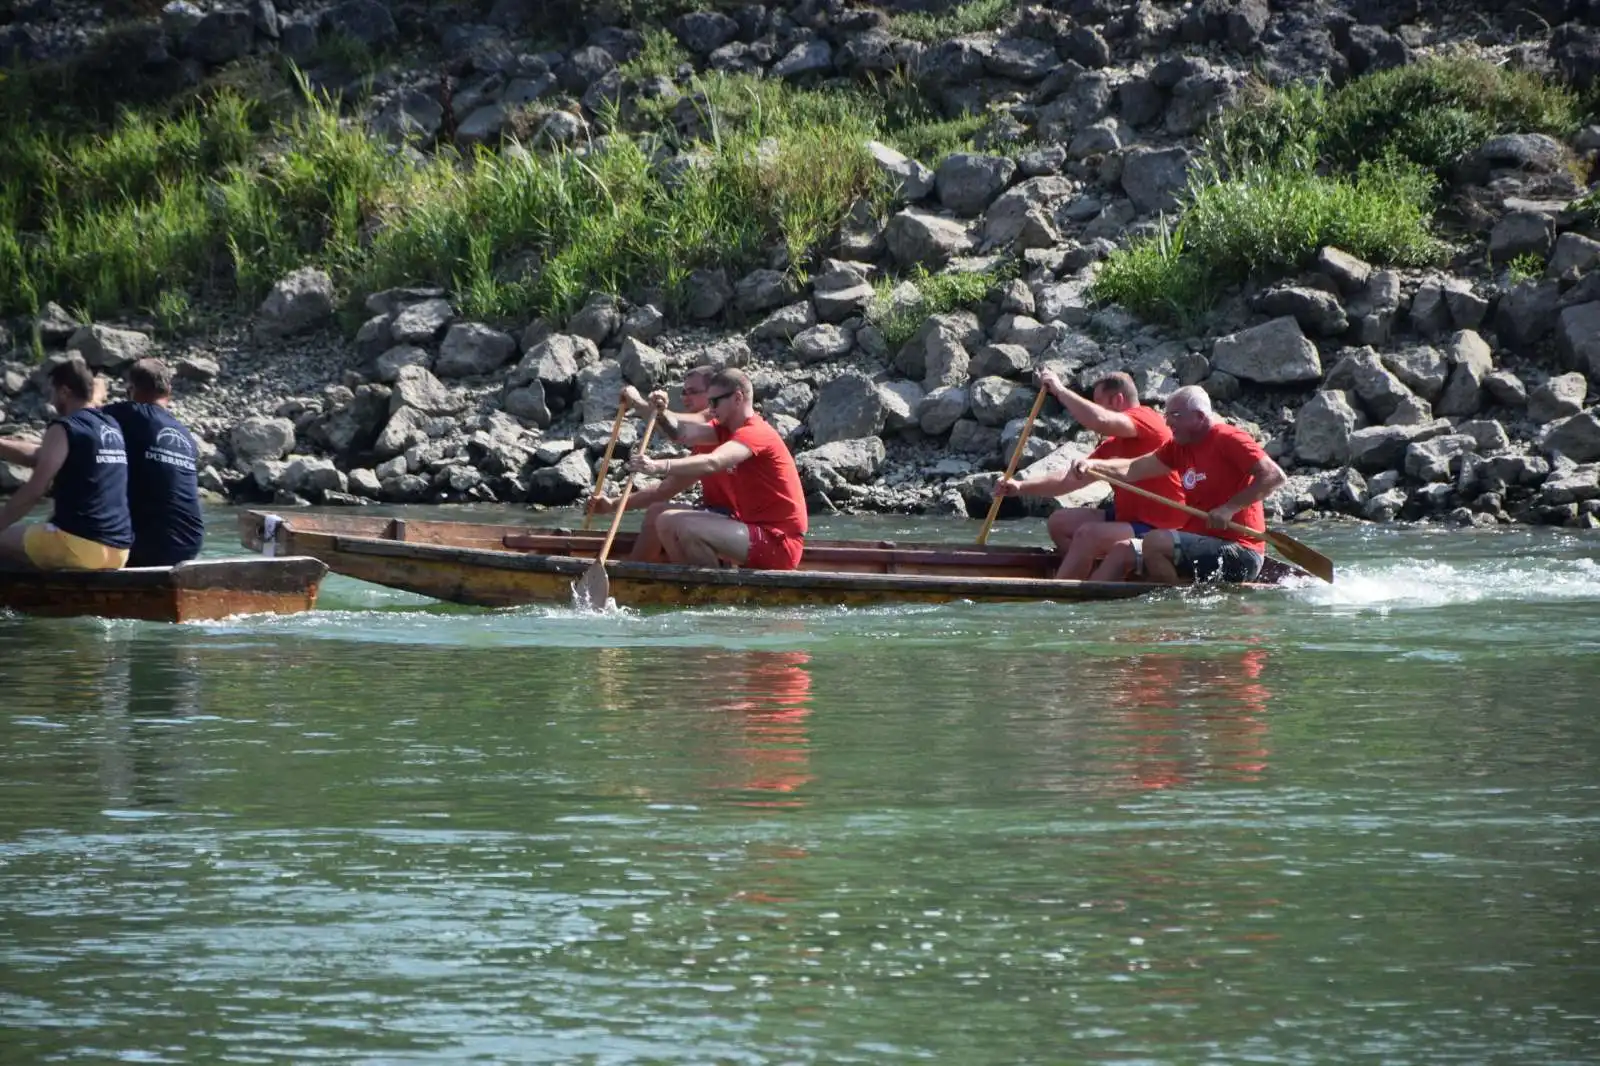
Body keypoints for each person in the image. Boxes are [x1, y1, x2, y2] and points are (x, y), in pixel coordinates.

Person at [1071, 385, 1288, 584]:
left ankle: (1175, 604)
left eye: (1175, 415)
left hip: (1240, 551)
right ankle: (1084, 607)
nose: (1167, 423)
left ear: (1199, 416)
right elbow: (1133, 469)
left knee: (1155, 542)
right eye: (1167, 416)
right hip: (1200, 541)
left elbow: (1274, 476)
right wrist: (1094, 465)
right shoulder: (1178, 447)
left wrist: (1229, 508)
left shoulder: (1229, 438)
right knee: (1121, 550)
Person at [991, 370, 1185, 579]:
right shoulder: (1112, 445)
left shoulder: (1147, 419)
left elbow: (1099, 419)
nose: (1094, 407)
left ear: (1117, 399)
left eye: (1098, 402)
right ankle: (1090, 576)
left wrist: (1059, 390)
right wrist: (1020, 486)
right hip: (1129, 519)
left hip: (1162, 525)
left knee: (1088, 535)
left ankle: (1062, 591)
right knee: (1059, 522)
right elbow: (1069, 480)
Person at [623, 368, 808, 570]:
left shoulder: (755, 432)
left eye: (715, 402)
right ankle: (688, 588)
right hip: (750, 531)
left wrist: (658, 465)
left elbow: (714, 461)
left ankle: (709, 592)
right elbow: (680, 432)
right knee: (665, 521)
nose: (710, 409)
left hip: (778, 544)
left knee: (686, 527)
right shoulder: (723, 430)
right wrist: (659, 412)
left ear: (737, 398)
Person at [588, 366, 736, 562]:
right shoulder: (704, 440)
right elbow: (665, 489)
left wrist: (638, 402)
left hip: (739, 520)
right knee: (659, 510)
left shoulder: (719, 421)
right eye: (684, 391)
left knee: (658, 512)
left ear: (713, 395)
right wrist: (613, 504)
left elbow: (680, 426)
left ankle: (633, 577)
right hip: (721, 515)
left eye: (693, 392)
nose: (685, 397)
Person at [0, 356, 133, 570]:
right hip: (119, 552)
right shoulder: (111, 425)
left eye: (52, 393)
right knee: (32, 536)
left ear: (64, 392)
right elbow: (42, 456)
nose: (51, 401)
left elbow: (36, 490)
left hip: (78, 546)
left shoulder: (64, 427)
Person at [101, 358, 205, 567]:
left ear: (131, 390)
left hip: (148, 544)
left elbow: (85, 416)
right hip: (189, 544)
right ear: (168, 391)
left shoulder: (127, 413)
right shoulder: (185, 435)